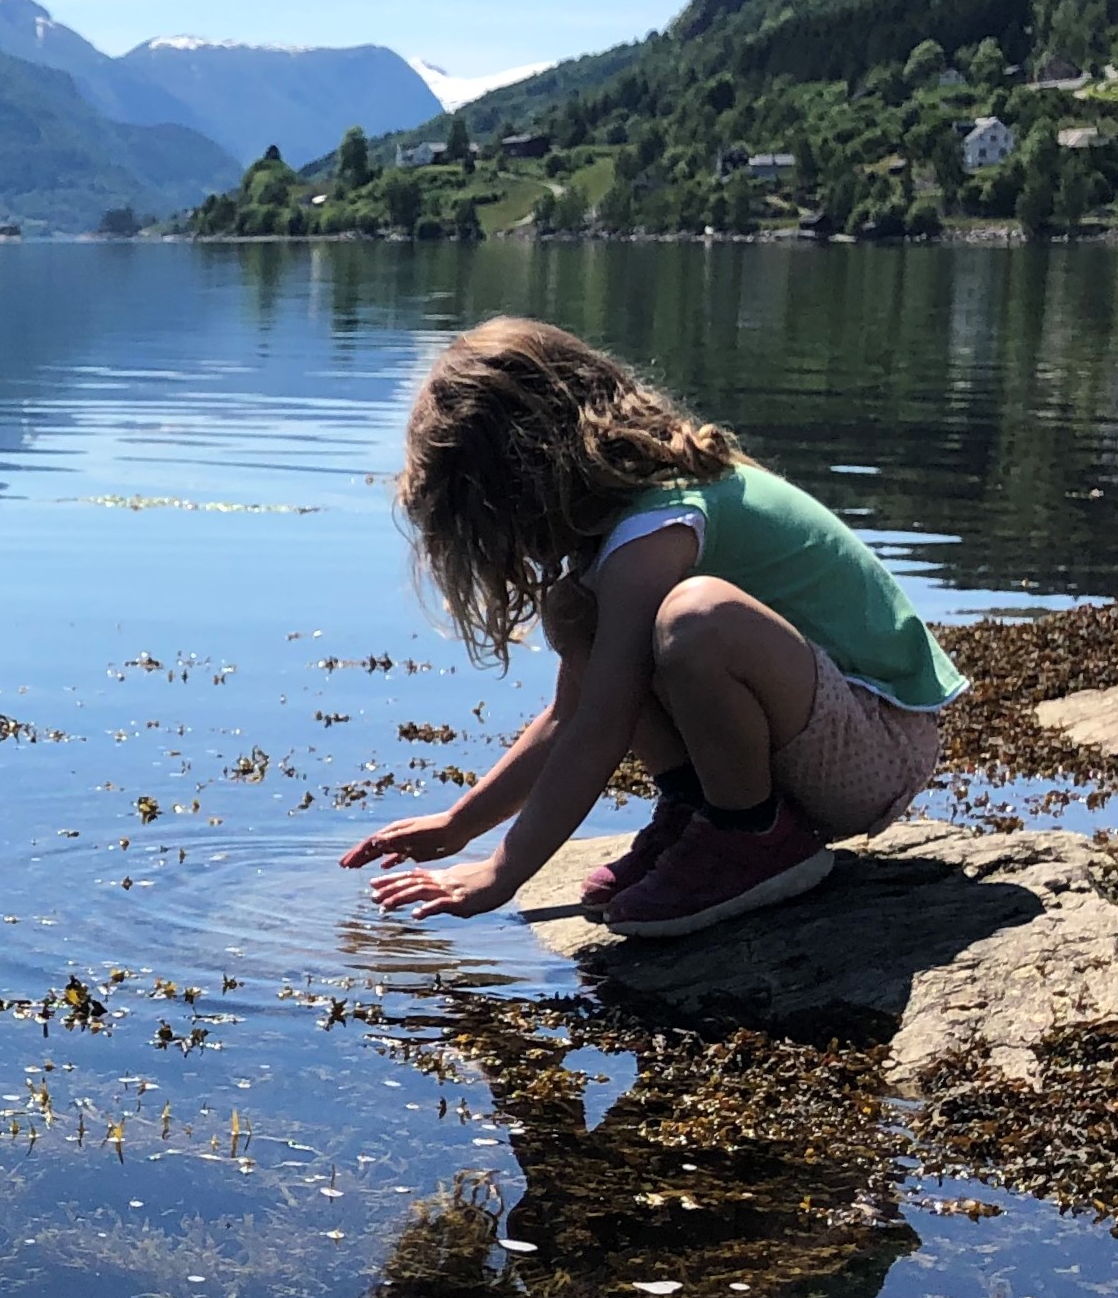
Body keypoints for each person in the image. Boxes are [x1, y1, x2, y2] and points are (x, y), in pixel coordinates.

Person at [343, 317, 966, 936]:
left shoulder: (656, 529)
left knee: (697, 619)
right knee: (577, 615)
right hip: (821, 731)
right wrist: (460, 825)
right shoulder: (625, 532)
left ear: (515, 480)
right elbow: (571, 712)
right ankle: (699, 812)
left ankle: (751, 839)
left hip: (876, 747)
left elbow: (603, 724)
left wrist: (504, 871)